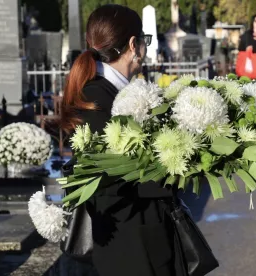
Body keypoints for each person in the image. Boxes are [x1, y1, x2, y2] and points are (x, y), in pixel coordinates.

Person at [60, 5, 191, 276]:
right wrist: (179, 168)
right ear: (134, 45)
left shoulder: (109, 92)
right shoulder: (98, 99)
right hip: (129, 244)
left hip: (139, 240)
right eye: (145, 40)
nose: (144, 49)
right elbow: (116, 180)